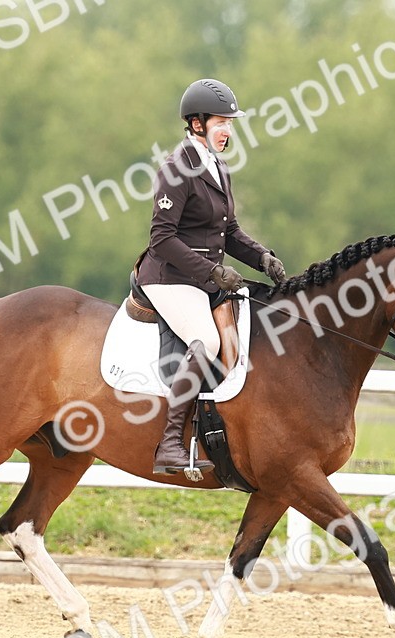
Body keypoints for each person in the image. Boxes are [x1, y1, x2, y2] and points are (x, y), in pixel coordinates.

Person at [136, 78, 286, 477]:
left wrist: (262, 258)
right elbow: (162, 238)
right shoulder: (176, 169)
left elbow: (228, 231)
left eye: (230, 123)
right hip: (168, 278)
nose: (228, 131)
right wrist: (213, 271)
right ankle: (170, 444)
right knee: (208, 341)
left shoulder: (217, 166)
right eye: (222, 122)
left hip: (202, 280)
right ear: (197, 123)